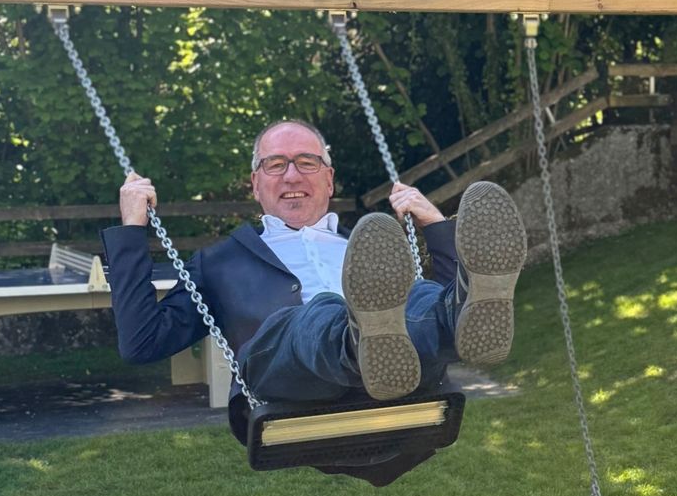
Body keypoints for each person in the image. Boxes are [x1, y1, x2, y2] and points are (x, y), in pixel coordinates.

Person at [101, 117, 528, 411]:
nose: (291, 176)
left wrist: (434, 224)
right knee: (318, 313)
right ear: (255, 183)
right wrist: (132, 229)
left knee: (422, 299)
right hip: (284, 377)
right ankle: (361, 341)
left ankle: (426, 328)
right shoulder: (218, 263)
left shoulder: (370, 246)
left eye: (307, 162)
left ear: (329, 178)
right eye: (275, 164)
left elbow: (435, 298)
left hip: (406, 375)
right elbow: (142, 343)